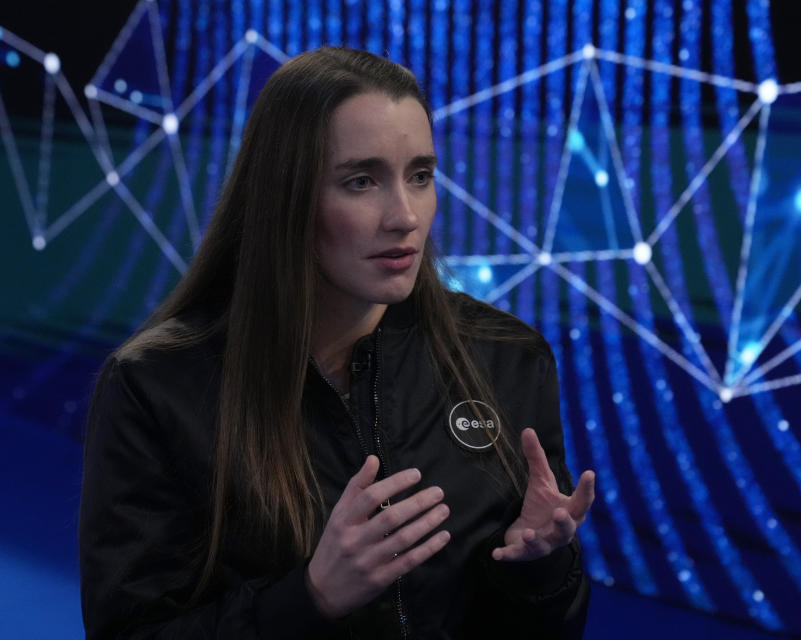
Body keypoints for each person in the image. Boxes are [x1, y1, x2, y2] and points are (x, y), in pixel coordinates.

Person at [79, 46, 596, 639]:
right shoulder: (158, 385)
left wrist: (539, 571)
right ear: (286, 195)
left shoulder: (507, 358)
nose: (404, 215)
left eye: (420, 175)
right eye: (361, 181)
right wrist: (311, 598)